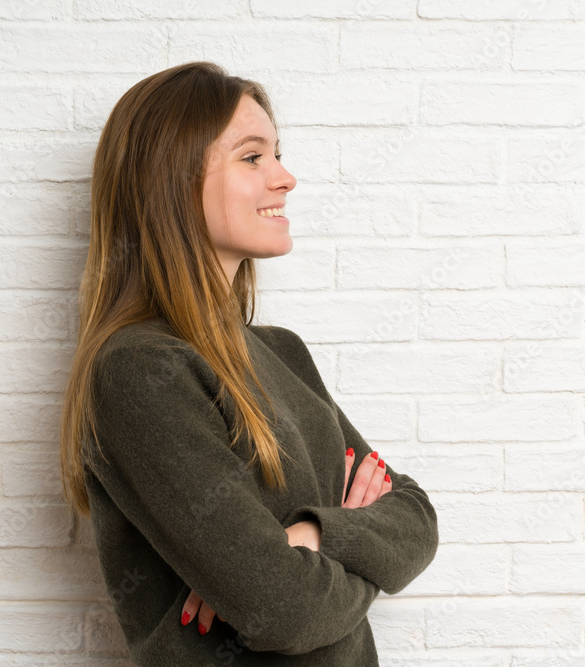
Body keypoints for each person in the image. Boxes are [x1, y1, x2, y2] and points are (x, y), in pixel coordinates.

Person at [59, 61, 439, 665]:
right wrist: (357, 545)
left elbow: (416, 517)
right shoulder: (136, 371)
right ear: (172, 181)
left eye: (277, 155)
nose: (285, 178)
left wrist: (314, 535)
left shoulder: (282, 351)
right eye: (253, 157)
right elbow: (285, 609)